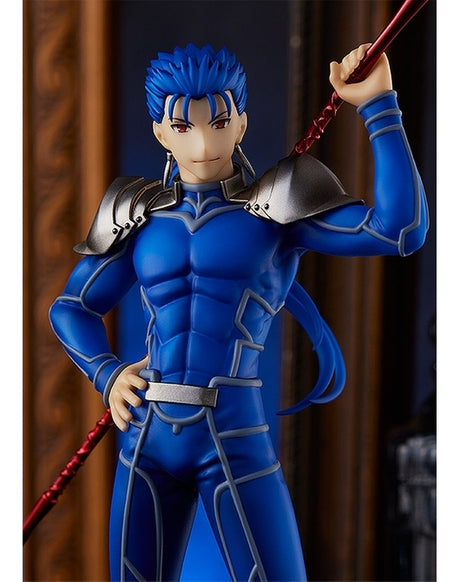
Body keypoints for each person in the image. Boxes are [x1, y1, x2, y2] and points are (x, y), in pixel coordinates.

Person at [49, 43, 428, 581]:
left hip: (232, 432)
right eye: (184, 127)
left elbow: (400, 230)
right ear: (160, 132)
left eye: (220, 122)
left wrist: (378, 105)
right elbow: (71, 308)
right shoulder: (137, 213)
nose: (204, 143)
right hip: (147, 433)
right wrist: (107, 374)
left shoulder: (274, 208)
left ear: (242, 122)